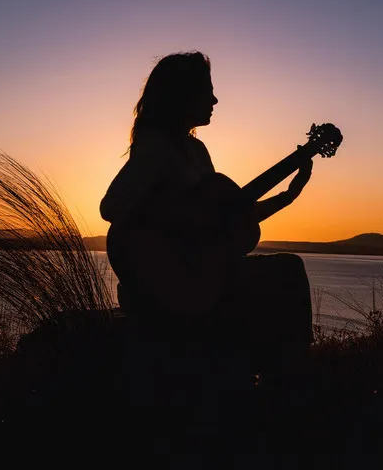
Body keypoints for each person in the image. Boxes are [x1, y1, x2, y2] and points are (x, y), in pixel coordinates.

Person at [100, 51, 315, 441]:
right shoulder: (156, 149)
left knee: (285, 271)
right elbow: (112, 206)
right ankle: (291, 393)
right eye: (208, 92)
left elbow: (221, 221)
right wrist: (183, 220)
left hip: (196, 273)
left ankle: (279, 386)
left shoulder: (196, 151)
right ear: (183, 95)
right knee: (287, 273)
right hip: (164, 280)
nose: (215, 101)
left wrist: (286, 196)